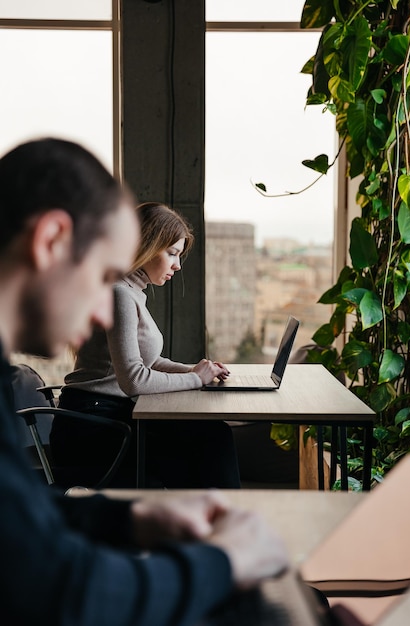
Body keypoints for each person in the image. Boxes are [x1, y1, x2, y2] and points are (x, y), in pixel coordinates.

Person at [0, 137, 288, 625]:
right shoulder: (121, 296)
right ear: (50, 240)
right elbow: (56, 590)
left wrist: (130, 519)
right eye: (102, 274)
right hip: (93, 424)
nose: (101, 309)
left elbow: (21, 528)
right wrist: (223, 564)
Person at [50, 202, 241, 489]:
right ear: (145, 246)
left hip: (109, 416)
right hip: (92, 426)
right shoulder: (119, 295)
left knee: (208, 437)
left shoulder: (131, 292)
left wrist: (195, 370)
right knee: (209, 440)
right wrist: (194, 379)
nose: (177, 265)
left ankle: (210, 523)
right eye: (172, 253)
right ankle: (220, 523)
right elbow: (134, 380)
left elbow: (146, 363)